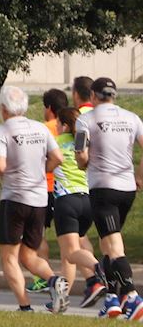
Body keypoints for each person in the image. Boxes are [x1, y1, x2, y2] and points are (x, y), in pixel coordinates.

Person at [0, 85, 67, 314]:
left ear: (3, 108)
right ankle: (53, 280)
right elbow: (57, 158)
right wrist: (42, 172)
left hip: (14, 198)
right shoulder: (40, 128)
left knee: (9, 256)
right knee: (28, 255)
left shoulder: (1, 131)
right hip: (39, 199)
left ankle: (24, 306)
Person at [75, 75, 143, 318]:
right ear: (114, 95)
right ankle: (112, 299)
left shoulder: (85, 119)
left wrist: (83, 162)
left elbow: (81, 155)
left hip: (103, 188)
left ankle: (132, 296)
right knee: (107, 242)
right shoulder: (132, 118)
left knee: (114, 246)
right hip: (127, 189)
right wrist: (140, 176)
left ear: (93, 96)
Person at [50, 104, 107, 307]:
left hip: (67, 201)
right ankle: (63, 299)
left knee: (72, 253)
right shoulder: (84, 144)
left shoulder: (56, 143)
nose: (55, 126)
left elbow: (46, 162)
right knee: (71, 252)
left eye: (57, 123)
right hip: (88, 201)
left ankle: (98, 270)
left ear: (64, 125)